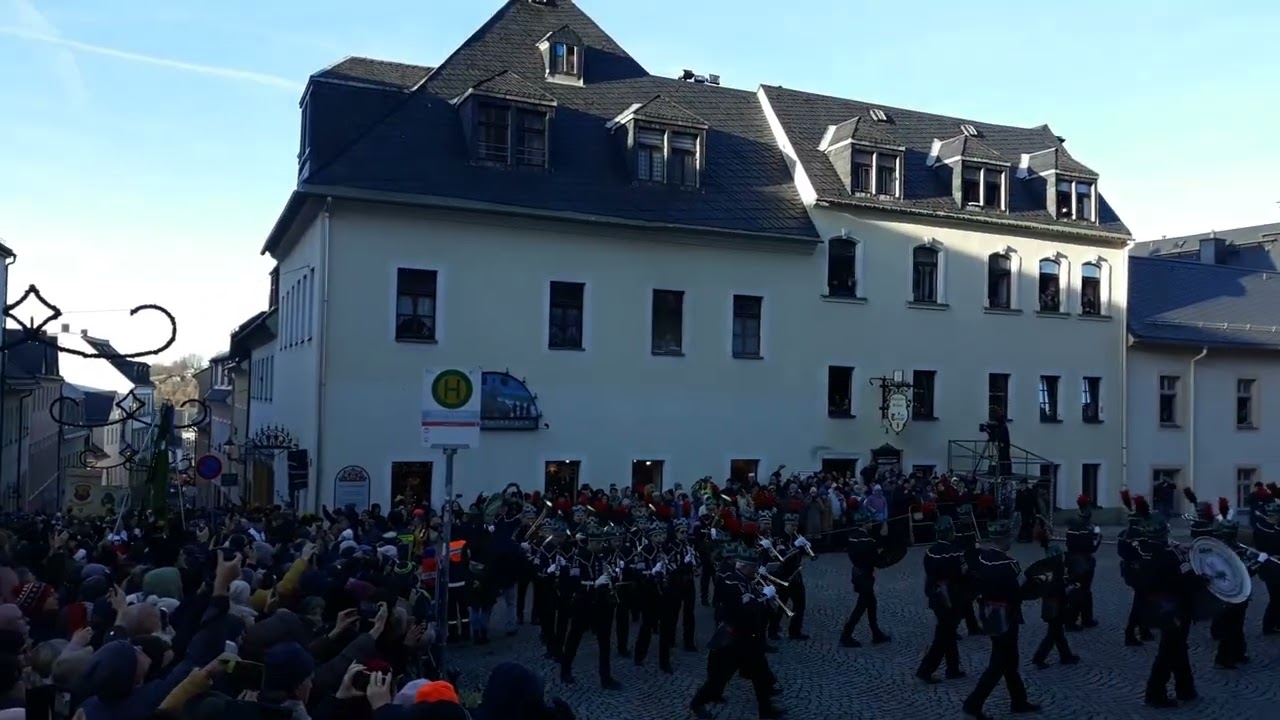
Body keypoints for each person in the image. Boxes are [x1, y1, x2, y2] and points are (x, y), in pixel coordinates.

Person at [688, 542, 783, 720]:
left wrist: (765, 595)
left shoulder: (746, 580)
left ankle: (766, 711)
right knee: (718, 680)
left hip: (749, 638)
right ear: (745, 567)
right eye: (754, 567)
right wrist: (764, 596)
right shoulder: (730, 582)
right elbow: (745, 606)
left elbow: (754, 601)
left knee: (760, 675)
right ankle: (697, 703)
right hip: (733, 640)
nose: (756, 571)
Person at [962, 518, 1041, 720]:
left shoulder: (982, 558)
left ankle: (1018, 700)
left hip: (988, 613)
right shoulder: (1009, 565)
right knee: (998, 663)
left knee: (1010, 660)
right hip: (1007, 616)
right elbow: (1019, 591)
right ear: (1005, 539)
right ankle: (974, 702)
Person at [1139, 514, 1202, 708]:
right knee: (1168, 651)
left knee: (1178, 648)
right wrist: (1201, 580)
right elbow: (1183, 582)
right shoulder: (1168, 556)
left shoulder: (1145, 551)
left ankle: (1186, 688)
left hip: (1157, 605)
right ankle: (1155, 692)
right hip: (1174, 608)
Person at [558, 525, 622, 689]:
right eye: (597, 543)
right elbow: (574, 583)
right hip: (583, 603)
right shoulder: (578, 558)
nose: (601, 546)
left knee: (605, 641)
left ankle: (605, 677)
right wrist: (594, 584)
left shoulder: (602, 557)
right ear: (589, 542)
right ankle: (565, 670)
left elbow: (609, 575)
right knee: (574, 637)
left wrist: (613, 576)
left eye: (601, 542)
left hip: (602, 603)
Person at [916, 516, 966, 683]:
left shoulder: (930, 552)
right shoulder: (955, 552)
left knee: (948, 632)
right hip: (951, 597)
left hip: (936, 596)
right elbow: (961, 575)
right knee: (944, 635)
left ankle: (953, 667)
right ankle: (926, 669)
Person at [840, 510, 891, 647]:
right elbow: (875, 559)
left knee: (871, 604)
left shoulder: (852, 537)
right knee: (861, 606)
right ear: (865, 523)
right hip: (865, 575)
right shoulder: (867, 540)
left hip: (857, 572)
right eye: (869, 522)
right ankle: (846, 634)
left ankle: (876, 632)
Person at [1029, 545, 1080, 669]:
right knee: (1053, 634)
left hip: (1049, 604)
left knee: (1057, 633)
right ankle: (1039, 658)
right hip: (1056, 605)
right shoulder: (1057, 569)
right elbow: (1059, 588)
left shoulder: (1045, 567)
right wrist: (1070, 588)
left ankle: (1065, 655)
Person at [1062, 494, 1100, 631]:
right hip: (1086, 560)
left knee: (1076, 589)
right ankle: (1080, 620)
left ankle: (1079, 619)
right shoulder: (1093, 528)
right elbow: (1095, 546)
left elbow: (1068, 542)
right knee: (1084, 590)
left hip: (1072, 559)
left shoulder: (1071, 526)